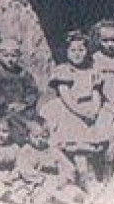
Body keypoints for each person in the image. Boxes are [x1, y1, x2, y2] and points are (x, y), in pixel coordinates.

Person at [41, 31, 109, 186]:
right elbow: (66, 97)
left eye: (81, 50)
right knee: (75, 131)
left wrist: (94, 111)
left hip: (89, 107)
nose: (77, 54)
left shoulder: (92, 70)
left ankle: (94, 171)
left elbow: (96, 93)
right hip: (69, 108)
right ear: (66, 52)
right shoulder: (64, 70)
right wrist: (81, 113)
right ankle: (81, 172)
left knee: (101, 126)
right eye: (73, 50)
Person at [11, 118, 86, 204]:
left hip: (56, 180)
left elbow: (66, 164)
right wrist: (42, 178)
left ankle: (80, 200)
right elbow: (25, 170)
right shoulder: (26, 151)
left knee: (73, 190)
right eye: (36, 137)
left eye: (44, 137)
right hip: (36, 182)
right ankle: (60, 201)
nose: (40, 140)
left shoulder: (52, 150)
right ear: (27, 136)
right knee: (32, 193)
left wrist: (68, 176)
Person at [0, 42, 40, 141]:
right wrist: (6, 104)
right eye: (6, 56)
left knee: (30, 123)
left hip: (22, 108)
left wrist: (24, 103)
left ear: (19, 57)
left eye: (13, 56)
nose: (10, 59)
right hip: (1, 110)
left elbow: (32, 90)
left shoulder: (23, 73)